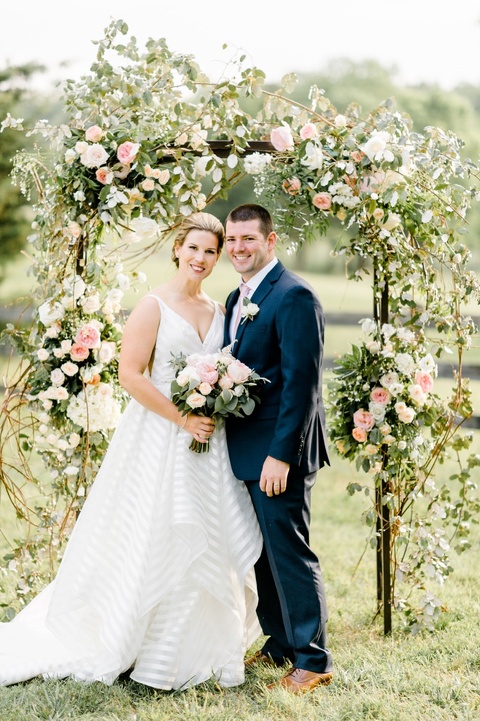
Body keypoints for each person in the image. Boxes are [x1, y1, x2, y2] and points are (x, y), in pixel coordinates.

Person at [0, 212, 262, 690]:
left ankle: (186, 647)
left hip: (209, 441)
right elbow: (131, 375)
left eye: (211, 251)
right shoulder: (153, 306)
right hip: (158, 437)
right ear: (178, 249)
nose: (202, 259)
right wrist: (183, 417)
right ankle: (133, 639)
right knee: (153, 533)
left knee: (208, 535)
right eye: (194, 248)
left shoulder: (222, 311)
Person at [223, 203, 333, 694]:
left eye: (248, 239)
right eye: (231, 240)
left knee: (288, 552)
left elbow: (302, 387)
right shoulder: (236, 297)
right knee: (262, 553)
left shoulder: (294, 297)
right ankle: (281, 643)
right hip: (248, 449)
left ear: (270, 241)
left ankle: (314, 660)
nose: (237, 248)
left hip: (279, 454)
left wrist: (281, 455)